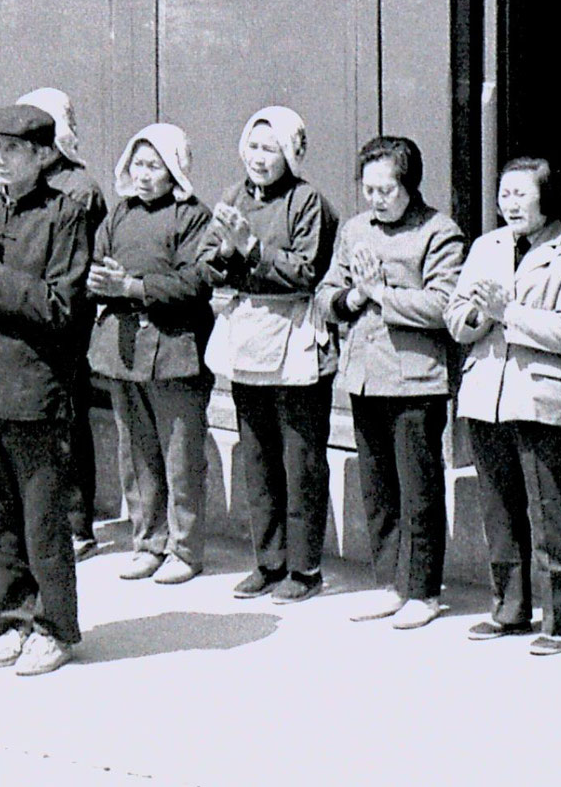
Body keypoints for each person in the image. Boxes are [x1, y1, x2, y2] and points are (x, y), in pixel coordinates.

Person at [0, 103, 97, 677]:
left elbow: (62, 309)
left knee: (41, 520)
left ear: (44, 155)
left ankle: (54, 629)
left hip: (33, 387)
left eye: (12, 149)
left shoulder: (66, 214)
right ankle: (12, 620)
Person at [446, 157, 561, 656]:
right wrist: (475, 316)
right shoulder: (485, 247)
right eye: (504, 194)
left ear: (545, 197)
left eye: (521, 194)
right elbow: (455, 315)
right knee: (499, 509)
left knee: (549, 509)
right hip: (485, 392)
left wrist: (507, 313)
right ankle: (508, 609)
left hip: (540, 397)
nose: (509, 204)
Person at [315, 136, 466, 630]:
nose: (375, 199)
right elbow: (326, 295)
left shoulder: (439, 232)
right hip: (363, 376)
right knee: (377, 488)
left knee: (418, 488)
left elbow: (444, 304)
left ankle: (423, 589)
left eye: (386, 190)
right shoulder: (355, 229)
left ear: (409, 185)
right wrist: (354, 297)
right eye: (368, 188)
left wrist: (382, 292)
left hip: (414, 378)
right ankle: (389, 583)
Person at [202, 106, 340, 604]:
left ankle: (305, 568)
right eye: (254, 147)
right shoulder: (232, 196)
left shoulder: (308, 202)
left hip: (297, 336)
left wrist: (252, 249)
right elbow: (208, 257)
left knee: (300, 456)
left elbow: (305, 271)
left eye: (272, 149)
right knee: (256, 454)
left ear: (292, 154)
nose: (260, 159)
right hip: (249, 335)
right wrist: (225, 256)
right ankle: (269, 560)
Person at [88, 124, 216, 586]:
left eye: (155, 166)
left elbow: (195, 281)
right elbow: (96, 259)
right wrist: (100, 281)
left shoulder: (192, 216)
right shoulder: (119, 214)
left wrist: (133, 287)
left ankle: (185, 548)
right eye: (138, 164)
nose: (144, 175)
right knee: (136, 452)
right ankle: (148, 540)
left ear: (174, 169)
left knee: (180, 455)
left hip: (176, 348)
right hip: (123, 348)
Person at [17, 87, 108, 559]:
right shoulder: (12, 188)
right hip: (22, 318)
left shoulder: (79, 188)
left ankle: (78, 523)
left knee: (69, 421)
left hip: (63, 321)